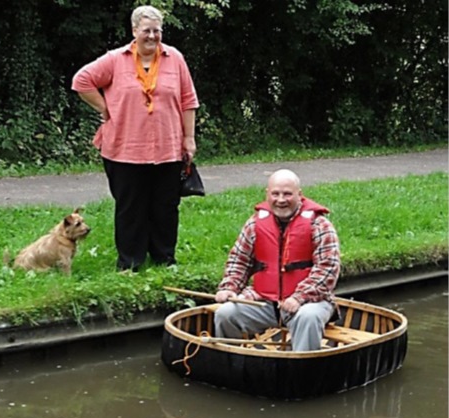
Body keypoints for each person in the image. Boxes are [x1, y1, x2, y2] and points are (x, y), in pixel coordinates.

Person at [71, 5, 199, 272]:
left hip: (168, 148)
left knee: (165, 207)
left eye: (157, 31)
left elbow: (188, 100)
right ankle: (130, 262)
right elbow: (81, 81)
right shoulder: (116, 59)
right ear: (134, 31)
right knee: (131, 208)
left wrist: (189, 138)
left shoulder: (174, 58)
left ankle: (164, 259)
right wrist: (105, 108)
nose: (152, 36)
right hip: (123, 149)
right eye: (146, 31)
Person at [214, 169, 341, 351]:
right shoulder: (254, 224)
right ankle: (232, 364)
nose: (281, 200)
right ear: (268, 194)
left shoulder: (319, 225)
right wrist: (229, 287)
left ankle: (302, 372)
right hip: (264, 301)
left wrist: (299, 297)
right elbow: (239, 261)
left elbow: (328, 268)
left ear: (299, 194)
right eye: (276, 194)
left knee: (308, 318)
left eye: (287, 194)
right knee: (226, 314)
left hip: (309, 302)